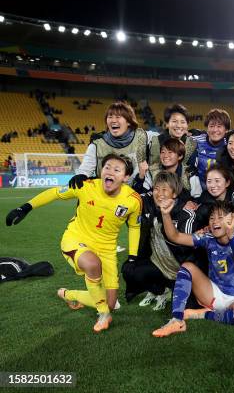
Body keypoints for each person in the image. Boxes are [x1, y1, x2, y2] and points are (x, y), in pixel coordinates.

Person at [5, 154, 141, 333]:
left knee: (111, 303)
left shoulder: (133, 199)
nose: (110, 172)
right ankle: (103, 315)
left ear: (125, 177)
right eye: (107, 167)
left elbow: (134, 227)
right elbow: (55, 193)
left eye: (117, 170)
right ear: (101, 170)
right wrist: (26, 207)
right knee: (93, 266)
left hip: (107, 250)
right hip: (76, 240)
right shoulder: (86, 186)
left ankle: (68, 295)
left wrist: (132, 256)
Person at [151, 200, 234, 337]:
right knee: (187, 267)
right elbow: (175, 236)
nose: (214, 221)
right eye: (212, 218)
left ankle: (204, 314)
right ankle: (177, 320)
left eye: (220, 217)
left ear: (232, 219)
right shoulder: (208, 238)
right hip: (213, 293)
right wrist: (165, 214)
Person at [122, 171, 207, 310]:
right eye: (156, 189)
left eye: (164, 190)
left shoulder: (186, 213)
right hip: (159, 264)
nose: (159, 193)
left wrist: (165, 217)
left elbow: (184, 247)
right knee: (130, 269)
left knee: (188, 308)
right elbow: (133, 196)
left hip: (182, 267)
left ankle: (176, 286)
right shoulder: (150, 205)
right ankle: (160, 290)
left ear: (174, 194)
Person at [69, 102, 151, 188]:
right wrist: (81, 175)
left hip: (133, 194)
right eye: (110, 117)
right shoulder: (97, 144)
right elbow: (85, 170)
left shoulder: (142, 140)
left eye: (118, 117)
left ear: (129, 122)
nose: (113, 120)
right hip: (105, 194)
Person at [134, 138, 202, 198]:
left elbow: (197, 197)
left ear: (180, 156)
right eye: (163, 152)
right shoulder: (152, 170)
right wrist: (141, 176)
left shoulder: (189, 172)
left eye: (170, 152)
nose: (165, 156)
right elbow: (140, 194)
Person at [146, 104, 197, 183]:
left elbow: (191, 169)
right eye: (174, 121)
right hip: (159, 184)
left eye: (183, 122)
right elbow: (153, 167)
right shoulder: (156, 142)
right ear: (167, 123)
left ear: (187, 125)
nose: (179, 125)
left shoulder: (191, 144)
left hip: (184, 187)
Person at [192, 108, 231, 187]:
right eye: (211, 126)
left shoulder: (230, 145)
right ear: (207, 128)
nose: (215, 130)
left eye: (219, 126)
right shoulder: (195, 141)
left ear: (226, 130)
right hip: (198, 192)